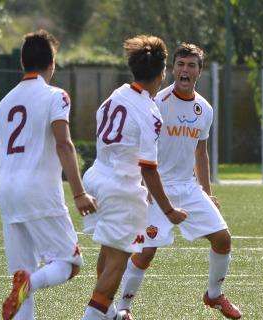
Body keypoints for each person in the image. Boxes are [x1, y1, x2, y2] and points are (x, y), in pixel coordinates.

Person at [115, 43, 242, 319]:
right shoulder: (156, 102)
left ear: (199, 71)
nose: (185, 70)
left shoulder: (204, 109)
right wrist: (141, 185)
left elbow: (201, 151)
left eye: (191, 65)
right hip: (156, 188)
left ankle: (214, 295)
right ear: (173, 68)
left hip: (188, 187)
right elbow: (139, 146)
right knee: (146, 251)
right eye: (181, 64)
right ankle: (123, 308)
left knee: (223, 239)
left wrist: (207, 193)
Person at [81, 35, 188, 320]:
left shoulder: (116, 94)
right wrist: (169, 210)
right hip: (121, 189)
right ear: (163, 72)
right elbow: (149, 167)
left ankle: (112, 313)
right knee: (117, 263)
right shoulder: (150, 111)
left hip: (95, 178)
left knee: (108, 254)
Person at [0, 30, 97, 320]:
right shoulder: (56, 95)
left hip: (7, 194)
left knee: (21, 272)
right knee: (70, 262)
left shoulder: (4, 102)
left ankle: (25, 283)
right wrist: (79, 192)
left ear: (22, 62)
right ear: (51, 63)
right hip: (39, 191)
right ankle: (30, 283)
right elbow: (64, 143)